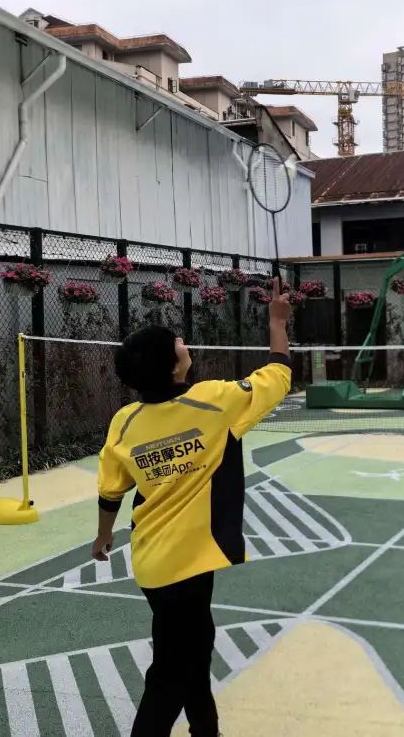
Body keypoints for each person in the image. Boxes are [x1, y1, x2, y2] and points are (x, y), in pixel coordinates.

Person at [93, 277, 293, 737]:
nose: (183, 342)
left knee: (192, 653)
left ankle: (207, 730)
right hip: (186, 563)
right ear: (174, 364)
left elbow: (111, 490)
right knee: (171, 675)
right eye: (177, 342)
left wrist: (103, 535)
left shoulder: (125, 421)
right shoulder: (214, 401)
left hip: (152, 561)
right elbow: (279, 374)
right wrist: (278, 323)